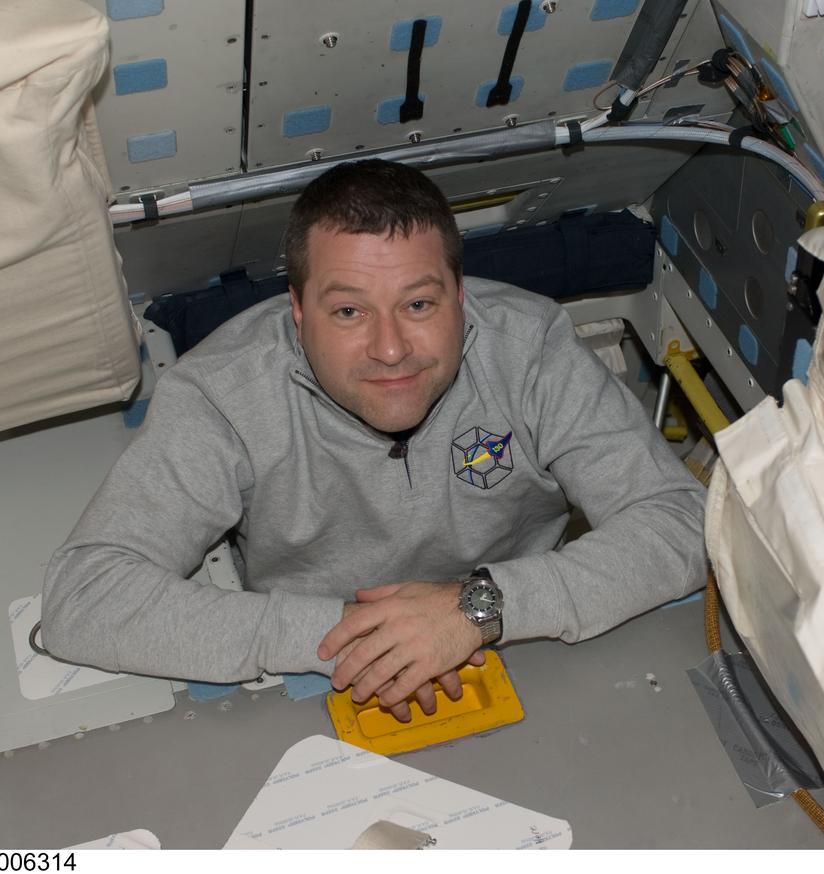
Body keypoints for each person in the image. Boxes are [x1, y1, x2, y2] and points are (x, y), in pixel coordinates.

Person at [41, 159, 707, 722]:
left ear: (460, 294)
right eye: (349, 312)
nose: (390, 348)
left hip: (524, 642)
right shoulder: (222, 394)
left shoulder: (531, 349)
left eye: (419, 304)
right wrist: (363, 640)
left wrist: (480, 607)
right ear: (298, 312)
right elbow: (86, 597)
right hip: (310, 680)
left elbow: (682, 523)